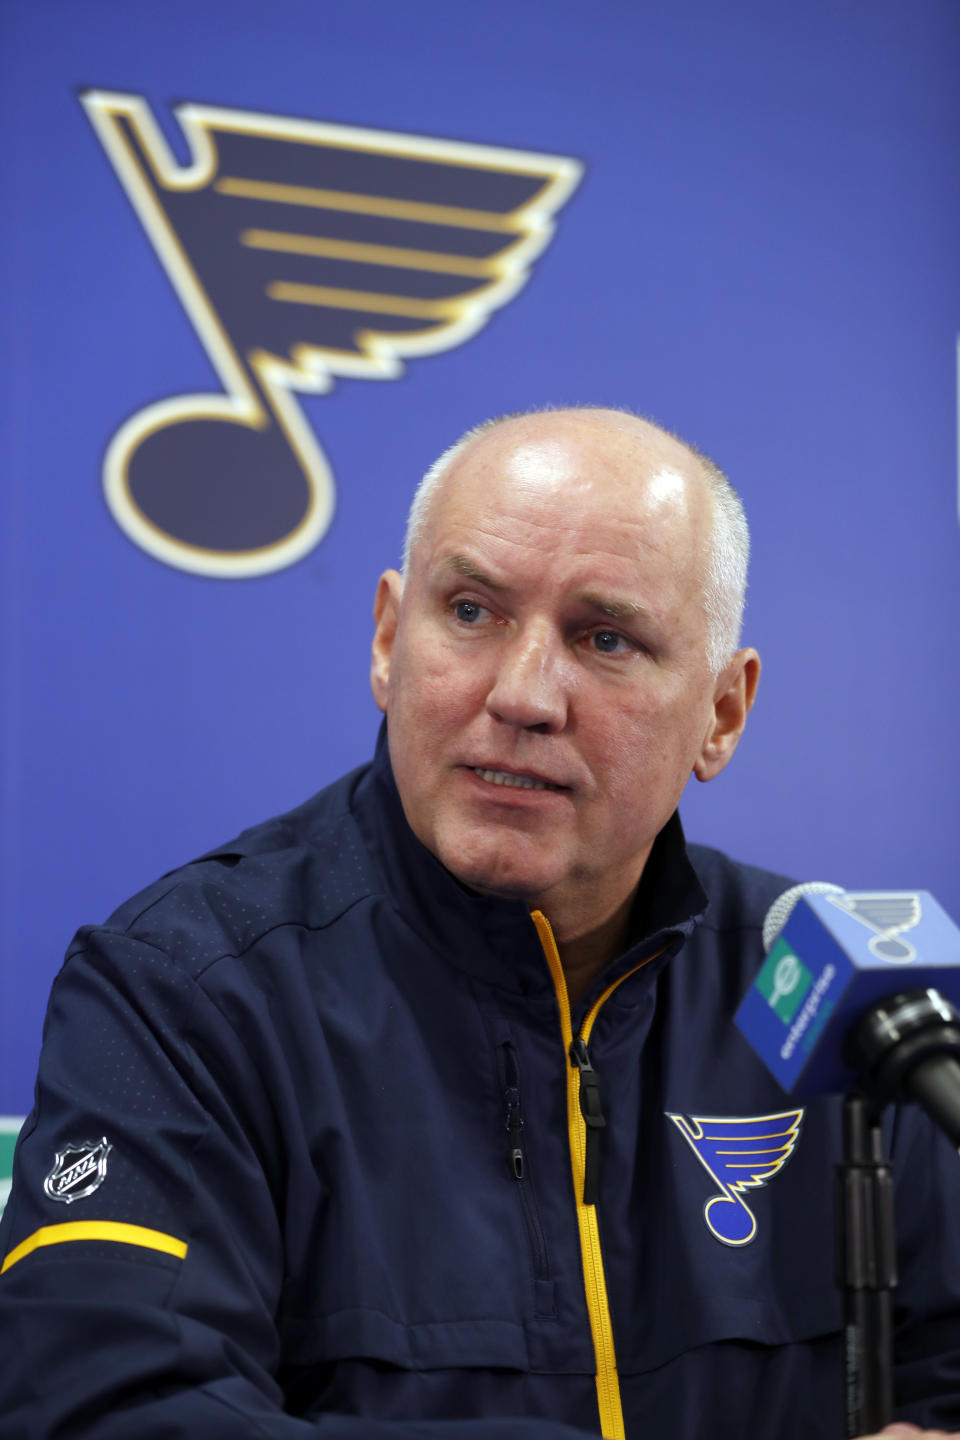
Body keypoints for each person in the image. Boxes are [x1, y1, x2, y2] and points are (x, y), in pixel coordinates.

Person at [1, 407, 958, 1439]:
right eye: (470, 612)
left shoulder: (844, 1001)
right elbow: (110, 1411)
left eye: (606, 638)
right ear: (386, 639)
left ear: (722, 713)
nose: (524, 693)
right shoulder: (183, 988)